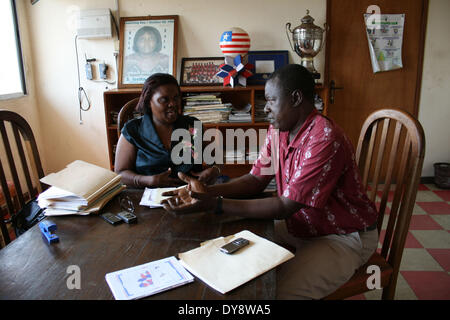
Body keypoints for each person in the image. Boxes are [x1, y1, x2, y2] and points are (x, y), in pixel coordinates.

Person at [161, 64, 379, 299]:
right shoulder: (280, 130)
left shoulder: (324, 138)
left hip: (342, 235)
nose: (266, 108)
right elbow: (256, 180)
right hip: (301, 224)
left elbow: (285, 206)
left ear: (295, 98)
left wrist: (216, 204)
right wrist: (208, 192)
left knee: (278, 295)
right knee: (224, 243)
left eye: (271, 101)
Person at [114, 73, 221, 188]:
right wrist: (148, 181)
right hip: (146, 196)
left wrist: (214, 170)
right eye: (164, 100)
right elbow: (121, 173)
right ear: (149, 101)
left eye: (176, 98)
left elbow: (217, 159)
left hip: (190, 193)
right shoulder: (132, 130)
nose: (173, 104)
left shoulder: (193, 125)